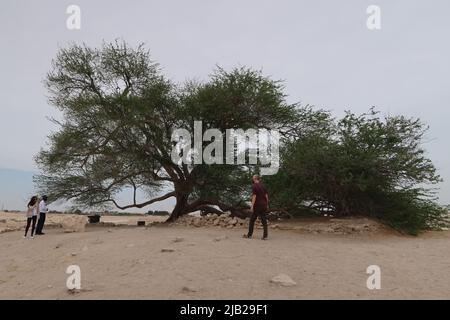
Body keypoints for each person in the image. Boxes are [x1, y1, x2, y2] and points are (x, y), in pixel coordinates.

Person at [244, 175, 269, 240]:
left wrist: (252, 206)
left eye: (253, 178)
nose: (252, 179)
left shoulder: (254, 186)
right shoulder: (263, 186)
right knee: (264, 221)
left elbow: (254, 196)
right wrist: (267, 204)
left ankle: (249, 235)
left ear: (254, 179)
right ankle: (265, 236)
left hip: (257, 205)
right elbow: (266, 195)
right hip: (264, 204)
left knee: (252, 220)